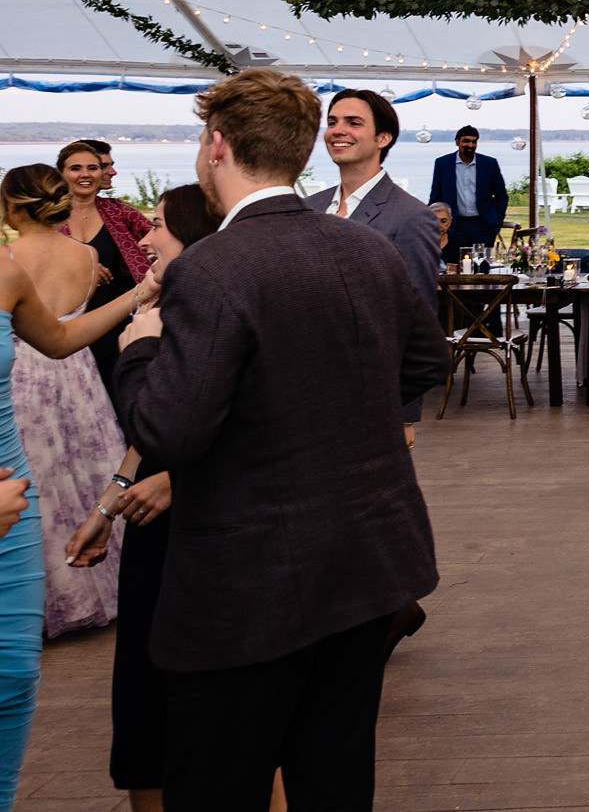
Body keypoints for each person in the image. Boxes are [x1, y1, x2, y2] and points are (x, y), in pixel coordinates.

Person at [111, 68, 451, 807]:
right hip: (367, 566)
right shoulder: (362, 247)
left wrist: (141, 345)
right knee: (333, 776)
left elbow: (169, 427)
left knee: (220, 783)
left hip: (250, 586)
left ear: (216, 146)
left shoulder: (211, 268)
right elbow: (429, 360)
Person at [64, 184, 219, 807]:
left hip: (211, 534)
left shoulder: (209, 317)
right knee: (143, 699)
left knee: (231, 716)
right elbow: (148, 434)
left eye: (158, 226)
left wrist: (179, 480)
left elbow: (259, 423)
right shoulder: (158, 308)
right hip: (151, 532)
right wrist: (109, 504)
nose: (145, 237)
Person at [0, 206, 145, 803]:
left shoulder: (5, 273)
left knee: (12, 673)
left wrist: (146, 291)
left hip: (15, 502)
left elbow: (59, 339)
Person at [3, 164, 129, 635]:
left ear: (13, 206)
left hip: (23, 379)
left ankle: (44, 600)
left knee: (36, 483)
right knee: (84, 471)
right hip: (76, 373)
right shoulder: (84, 256)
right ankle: (101, 584)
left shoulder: (8, 259)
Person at [308, 89, 440, 452]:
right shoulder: (308, 208)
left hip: (370, 397)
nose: (338, 130)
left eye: (353, 123)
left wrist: (404, 413)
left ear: (383, 138)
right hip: (302, 393)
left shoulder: (411, 216)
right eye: (332, 122)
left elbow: (419, 320)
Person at [55, 140, 153, 395]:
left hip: (115, 323)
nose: (85, 174)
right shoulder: (47, 218)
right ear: (61, 174)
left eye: (93, 168)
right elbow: (27, 259)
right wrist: (81, 266)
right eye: (76, 168)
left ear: (101, 173)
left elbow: (164, 237)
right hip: (63, 325)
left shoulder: (119, 211)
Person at [428, 125, 507, 263]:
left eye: (474, 141)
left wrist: (496, 221)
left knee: (483, 267)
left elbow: (502, 196)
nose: (470, 145)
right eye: (466, 141)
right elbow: (436, 197)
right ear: (457, 142)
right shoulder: (443, 163)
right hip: (456, 226)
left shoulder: (489, 164)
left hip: (483, 225)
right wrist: (434, 223)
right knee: (455, 265)